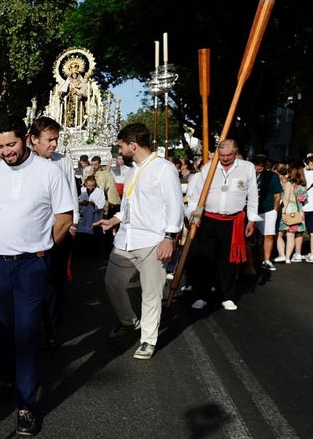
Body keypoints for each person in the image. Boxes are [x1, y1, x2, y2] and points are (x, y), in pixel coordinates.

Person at [0, 116, 74, 436]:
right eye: (0, 147)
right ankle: (6, 381)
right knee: (3, 329)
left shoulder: (49, 172)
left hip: (32, 265)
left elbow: (65, 218)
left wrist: (42, 250)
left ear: (27, 139)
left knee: (27, 332)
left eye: (11, 145)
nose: (6, 152)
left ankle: (26, 404)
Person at [93, 123, 184, 361]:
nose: (119, 151)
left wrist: (169, 237)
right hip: (125, 240)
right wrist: (114, 220)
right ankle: (129, 322)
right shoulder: (134, 169)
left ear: (133, 145)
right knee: (112, 283)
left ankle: (148, 339)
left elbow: (176, 205)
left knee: (151, 293)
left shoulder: (164, 169)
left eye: (121, 146)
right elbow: (129, 206)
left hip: (152, 241)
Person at [185, 139, 258, 311]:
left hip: (233, 221)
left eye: (229, 155)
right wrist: (193, 214)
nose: (225, 158)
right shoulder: (208, 168)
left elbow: (253, 195)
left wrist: (252, 220)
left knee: (229, 260)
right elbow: (196, 195)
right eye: (222, 155)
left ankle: (228, 296)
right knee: (206, 259)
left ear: (236, 152)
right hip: (209, 219)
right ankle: (202, 295)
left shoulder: (247, 168)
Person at [27, 117, 79, 350]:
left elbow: (71, 194)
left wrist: (73, 224)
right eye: (50, 140)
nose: (54, 144)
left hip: (58, 233)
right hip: (31, 234)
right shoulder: (23, 163)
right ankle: (33, 328)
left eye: (56, 139)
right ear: (33, 140)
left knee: (54, 285)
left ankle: (52, 330)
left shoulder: (63, 162)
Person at [253, 155, 283, 271]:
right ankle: (256, 259)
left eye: (261, 164)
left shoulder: (273, 176)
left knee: (269, 235)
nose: (259, 167)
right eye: (257, 164)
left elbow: (277, 193)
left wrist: (275, 208)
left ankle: (266, 260)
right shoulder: (250, 175)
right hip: (252, 209)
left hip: (268, 209)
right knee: (254, 238)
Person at [279, 164, 308, 264]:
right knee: (292, 234)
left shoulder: (289, 184)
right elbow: (303, 199)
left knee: (284, 234)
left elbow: (286, 199)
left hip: (289, 210)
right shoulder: (303, 185)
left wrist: (283, 212)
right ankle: (288, 258)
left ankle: (284, 256)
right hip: (299, 211)